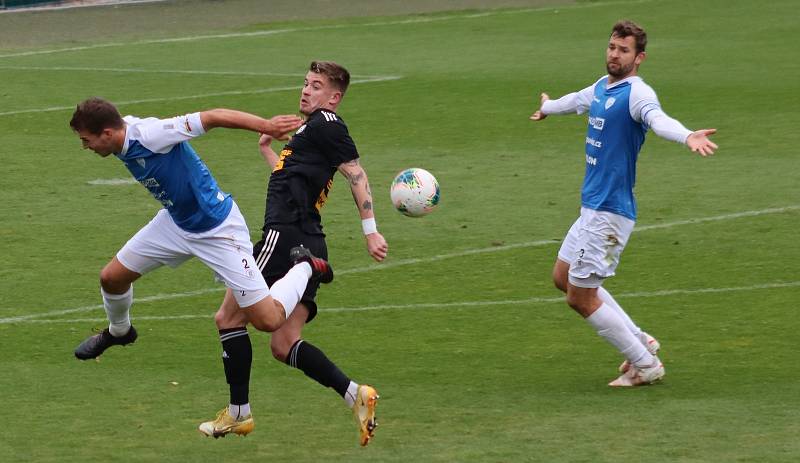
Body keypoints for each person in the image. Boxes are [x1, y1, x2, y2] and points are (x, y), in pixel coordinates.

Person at [199, 61, 388, 446]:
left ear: (333, 97)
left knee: (228, 318)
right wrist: (269, 152)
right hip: (308, 238)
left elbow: (356, 173)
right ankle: (356, 394)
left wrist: (371, 231)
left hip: (284, 240)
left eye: (316, 86)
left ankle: (239, 414)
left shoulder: (327, 124)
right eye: (305, 83)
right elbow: (293, 180)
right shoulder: (309, 130)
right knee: (284, 344)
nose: (305, 91)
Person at [70, 98, 334, 368]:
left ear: (107, 134)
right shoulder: (118, 133)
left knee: (268, 320)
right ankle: (120, 332)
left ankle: (305, 266)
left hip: (218, 229)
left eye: (86, 140)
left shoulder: (152, 135)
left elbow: (213, 116)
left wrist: (266, 125)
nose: (85, 147)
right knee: (111, 278)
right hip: (176, 223)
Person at [529, 20, 718, 387]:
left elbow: (657, 120)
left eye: (624, 50)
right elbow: (576, 101)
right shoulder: (603, 87)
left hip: (609, 214)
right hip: (592, 208)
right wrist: (548, 107)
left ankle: (645, 364)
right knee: (562, 277)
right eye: (612, 47)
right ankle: (640, 339)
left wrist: (686, 136)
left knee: (579, 298)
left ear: (639, 57)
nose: (615, 55)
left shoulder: (637, 94)